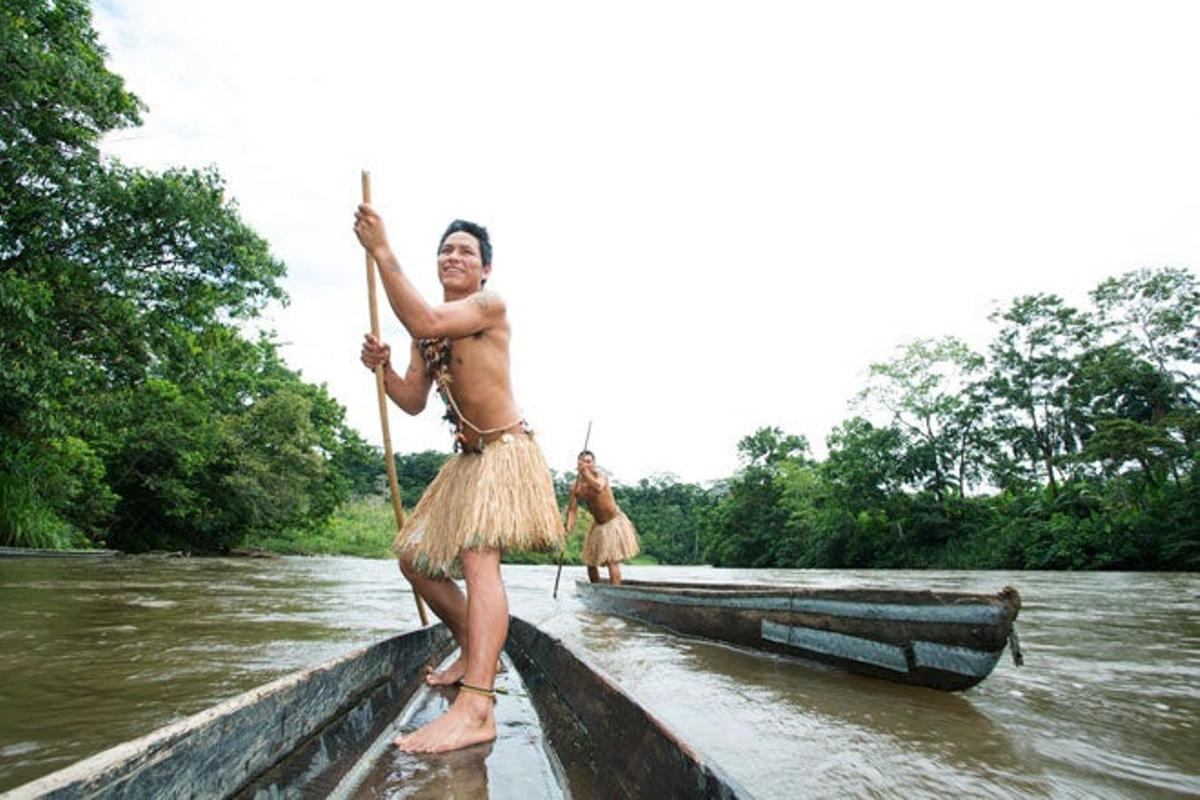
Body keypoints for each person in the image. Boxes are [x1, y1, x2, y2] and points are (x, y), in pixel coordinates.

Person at [354, 206, 562, 754]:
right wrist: (383, 370)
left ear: (484, 269)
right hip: (467, 462)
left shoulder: (488, 306)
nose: (453, 257)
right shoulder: (430, 334)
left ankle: (477, 705)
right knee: (415, 561)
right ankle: (475, 649)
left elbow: (422, 319)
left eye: (465, 251)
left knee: (476, 559)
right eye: (446, 250)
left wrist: (381, 251)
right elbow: (413, 402)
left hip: (504, 454)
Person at [565, 450, 640, 585]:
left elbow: (598, 487)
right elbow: (572, 509)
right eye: (583, 462)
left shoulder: (601, 476)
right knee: (590, 562)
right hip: (597, 525)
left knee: (612, 560)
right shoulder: (575, 486)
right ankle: (596, 590)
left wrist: (585, 472)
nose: (586, 464)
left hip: (613, 522)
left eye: (589, 462)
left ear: (594, 464)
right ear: (578, 464)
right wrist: (568, 528)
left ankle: (616, 592)